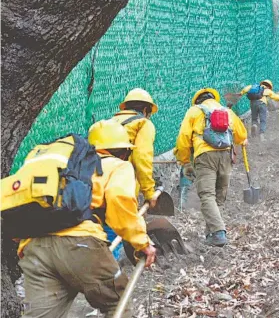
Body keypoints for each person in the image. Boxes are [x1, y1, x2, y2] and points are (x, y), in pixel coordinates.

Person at [18, 120, 156, 318]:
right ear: (123, 151)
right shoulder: (118, 165)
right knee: (117, 302)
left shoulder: (61, 168)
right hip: (80, 244)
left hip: (35, 247)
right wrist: (141, 242)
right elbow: (119, 200)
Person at [174, 88, 247, 247]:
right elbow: (241, 135)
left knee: (207, 195)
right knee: (218, 196)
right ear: (214, 98)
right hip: (226, 156)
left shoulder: (194, 111)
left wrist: (185, 161)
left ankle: (219, 233)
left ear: (197, 100)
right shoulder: (227, 111)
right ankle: (211, 234)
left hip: (205, 156)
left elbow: (183, 139)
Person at [111, 88, 158, 208]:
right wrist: (149, 193)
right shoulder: (143, 124)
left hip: (100, 180)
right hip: (123, 183)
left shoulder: (110, 122)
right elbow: (142, 157)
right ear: (145, 109)